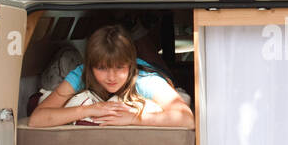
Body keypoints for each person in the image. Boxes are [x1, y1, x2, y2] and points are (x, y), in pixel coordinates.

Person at [28, 24, 194, 129]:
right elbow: (37, 119)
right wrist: (86, 110)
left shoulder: (145, 79)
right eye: (101, 68)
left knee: (159, 64)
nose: (111, 77)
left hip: (153, 69)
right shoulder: (81, 73)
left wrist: (135, 118)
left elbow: (186, 119)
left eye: (119, 68)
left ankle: (137, 29)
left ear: (130, 65)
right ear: (90, 66)